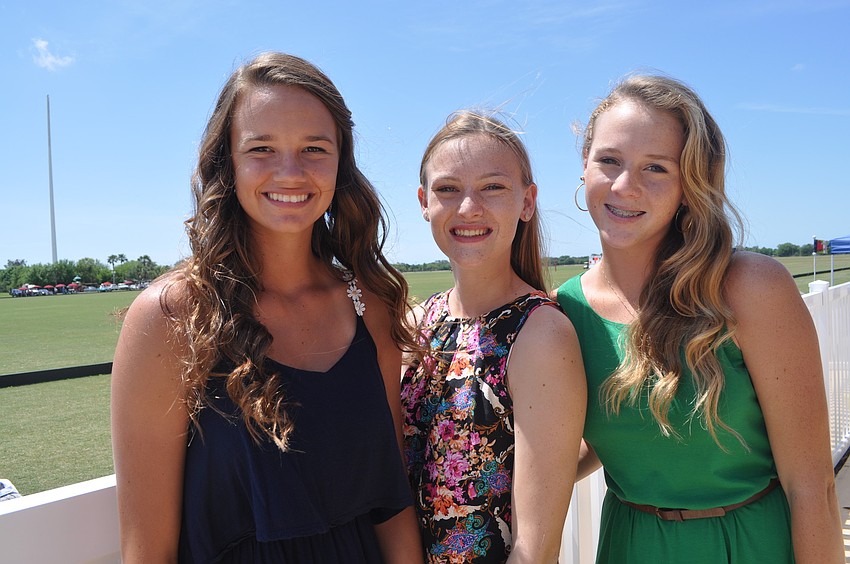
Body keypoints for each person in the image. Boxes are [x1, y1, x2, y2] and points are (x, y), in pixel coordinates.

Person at [111, 52, 422, 563]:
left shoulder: (370, 305)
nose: (290, 172)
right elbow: (148, 551)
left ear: (341, 163)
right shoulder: (171, 317)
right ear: (227, 163)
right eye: (262, 148)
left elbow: (391, 502)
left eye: (314, 148)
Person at [556, 74, 843, 563]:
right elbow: (617, 435)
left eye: (656, 167)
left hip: (749, 544)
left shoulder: (749, 288)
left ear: (690, 184)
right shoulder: (566, 308)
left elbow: (811, 485)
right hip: (631, 546)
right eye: (609, 160)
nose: (625, 186)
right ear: (584, 165)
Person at [401, 111, 586, 562]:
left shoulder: (540, 334)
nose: (468, 207)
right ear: (424, 202)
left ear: (527, 202)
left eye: (493, 187)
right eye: (448, 189)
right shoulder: (417, 323)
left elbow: (534, 549)